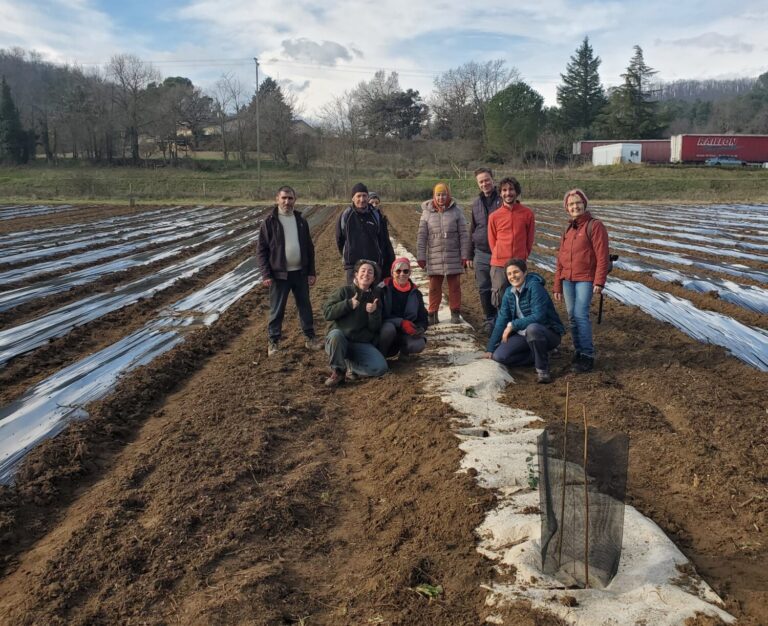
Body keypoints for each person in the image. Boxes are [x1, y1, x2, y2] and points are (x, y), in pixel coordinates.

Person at [256, 185, 321, 356]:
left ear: (295, 200)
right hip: (279, 275)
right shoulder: (269, 222)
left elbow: (309, 247)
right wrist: (266, 274)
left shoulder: (300, 221)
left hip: (300, 273)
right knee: (277, 310)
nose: (287, 201)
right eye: (283, 198)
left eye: (290, 198)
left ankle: (310, 338)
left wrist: (311, 272)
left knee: (305, 306)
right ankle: (273, 342)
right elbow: (261, 251)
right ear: (277, 199)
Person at [553, 189, 610, 373]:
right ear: (567, 208)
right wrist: (557, 285)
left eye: (578, 202)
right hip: (568, 279)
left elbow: (602, 256)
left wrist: (599, 281)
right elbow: (560, 259)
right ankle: (578, 351)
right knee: (571, 316)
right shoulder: (568, 229)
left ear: (584, 203)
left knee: (580, 315)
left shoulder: (595, 226)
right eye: (571, 204)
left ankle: (587, 355)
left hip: (585, 278)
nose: (575, 206)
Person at [484, 259, 564, 384]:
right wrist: (490, 349)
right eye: (509, 274)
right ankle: (536, 355)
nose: (513, 276)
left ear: (525, 272)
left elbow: (539, 316)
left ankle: (542, 370)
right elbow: (501, 320)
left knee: (533, 328)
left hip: (547, 332)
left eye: (516, 272)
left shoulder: (535, 287)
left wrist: (513, 325)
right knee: (499, 356)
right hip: (523, 334)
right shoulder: (509, 293)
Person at [323, 259, 388, 387]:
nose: (366, 274)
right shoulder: (344, 292)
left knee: (381, 368)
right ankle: (338, 371)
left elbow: (375, 328)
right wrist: (347, 304)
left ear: (374, 278)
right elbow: (327, 313)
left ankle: (351, 366)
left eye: (370, 272)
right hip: (340, 341)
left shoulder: (375, 297)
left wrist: (373, 313)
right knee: (336, 334)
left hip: (360, 343)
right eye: (363, 271)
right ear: (356, 275)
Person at [416, 182, 471, 325]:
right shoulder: (427, 213)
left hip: (453, 254)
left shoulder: (456, 211)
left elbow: (464, 235)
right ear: (434, 196)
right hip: (434, 256)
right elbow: (421, 236)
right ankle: (432, 314)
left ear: (448, 195)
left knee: (454, 287)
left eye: (444, 194)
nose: (441, 197)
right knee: (434, 287)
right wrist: (421, 256)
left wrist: (465, 255)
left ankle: (455, 313)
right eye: (438, 195)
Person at [487, 177, 535, 311]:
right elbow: (492, 241)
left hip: (519, 263)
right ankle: (502, 327)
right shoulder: (494, 216)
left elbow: (529, 240)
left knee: (521, 297)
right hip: (499, 265)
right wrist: (499, 255)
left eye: (511, 189)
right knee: (500, 297)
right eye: (504, 190)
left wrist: (523, 256)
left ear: (517, 191)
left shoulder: (527, 213)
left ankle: (519, 328)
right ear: (500, 193)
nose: (508, 193)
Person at [336, 183, 395, 284]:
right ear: (352, 198)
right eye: (358, 196)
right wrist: (349, 254)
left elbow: (383, 240)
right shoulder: (346, 216)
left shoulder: (376, 215)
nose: (362, 199)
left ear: (368, 197)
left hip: (374, 264)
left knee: (375, 296)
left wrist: (386, 262)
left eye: (364, 196)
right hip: (353, 266)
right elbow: (340, 239)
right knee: (355, 296)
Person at [470, 168, 503, 334]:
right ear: (478, 184)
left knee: (499, 287)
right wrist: (469, 254)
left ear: (492, 179)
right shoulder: (476, 203)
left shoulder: (503, 199)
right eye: (481, 181)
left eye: (487, 180)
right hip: (481, 252)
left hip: (499, 251)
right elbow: (473, 228)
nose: (485, 183)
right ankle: (489, 318)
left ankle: (501, 318)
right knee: (484, 287)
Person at [379, 257, 428, 359]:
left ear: (410, 273)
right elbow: (380, 315)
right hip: (387, 329)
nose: (402, 274)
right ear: (392, 273)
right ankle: (381, 355)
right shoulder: (383, 290)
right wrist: (401, 322)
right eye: (398, 271)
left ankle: (404, 351)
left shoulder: (415, 293)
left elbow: (423, 318)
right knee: (388, 329)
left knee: (418, 344)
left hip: (406, 333)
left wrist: (419, 328)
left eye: (406, 271)